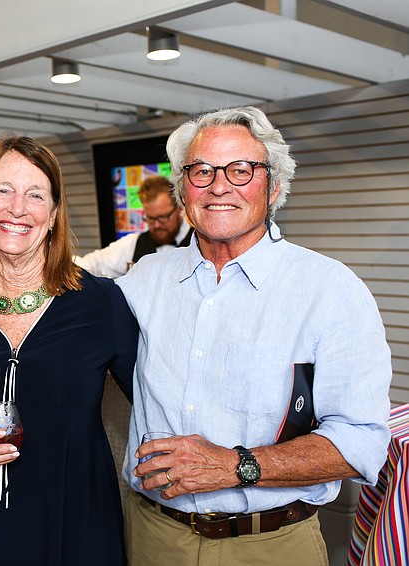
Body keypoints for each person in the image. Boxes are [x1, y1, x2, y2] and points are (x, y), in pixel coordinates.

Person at [119, 106, 392, 565]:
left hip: (272, 544)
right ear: (183, 190)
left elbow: (361, 442)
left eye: (241, 170)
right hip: (152, 538)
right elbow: (54, 310)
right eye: (201, 170)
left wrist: (235, 465)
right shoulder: (145, 278)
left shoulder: (330, 289)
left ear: (275, 187)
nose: (219, 185)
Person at [0, 135, 139, 566]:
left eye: (35, 195)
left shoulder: (100, 304)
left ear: (53, 214)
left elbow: (158, 403)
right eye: (4, 191)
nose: (17, 208)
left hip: (77, 536)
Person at [75, 175, 192, 277]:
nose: (156, 225)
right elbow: (94, 264)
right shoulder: (133, 244)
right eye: (150, 218)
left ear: (179, 208)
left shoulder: (200, 243)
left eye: (162, 217)